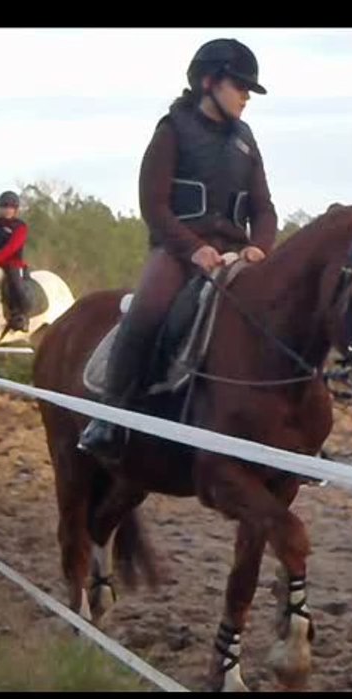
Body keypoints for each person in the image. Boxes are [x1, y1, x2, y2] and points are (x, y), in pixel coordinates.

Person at [78, 38, 278, 460]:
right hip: (178, 252)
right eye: (239, 86)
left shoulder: (246, 139)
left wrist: (259, 247)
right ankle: (111, 414)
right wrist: (193, 249)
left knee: (282, 312)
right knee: (148, 309)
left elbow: (264, 209)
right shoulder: (172, 131)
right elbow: (153, 205)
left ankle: (294, 429)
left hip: (237, 254)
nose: (246, 96)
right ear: (209, 82)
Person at [0, 190, 32, 331]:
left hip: (12, 264)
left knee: (16, 286)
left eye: (10, 207)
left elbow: (12, 247)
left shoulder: (20, 227)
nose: (7, 210)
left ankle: (22, 315)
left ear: (15, 209)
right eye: (4, 207)